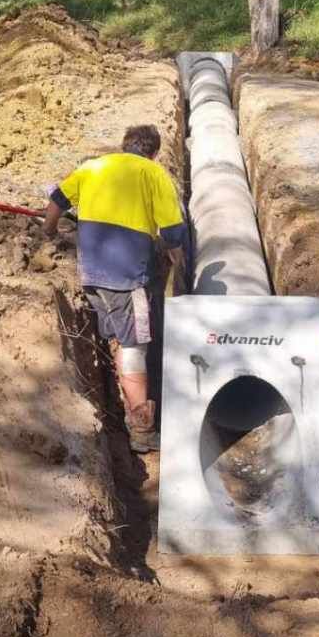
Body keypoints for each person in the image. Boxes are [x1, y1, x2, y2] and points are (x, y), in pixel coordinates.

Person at [42, 124, 186, 452]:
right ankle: (141, 432)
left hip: (92, 275)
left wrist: (48, 230)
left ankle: (124, 406)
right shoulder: (153, 173)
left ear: (124, 146)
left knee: (121, 340)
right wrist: (180, 271)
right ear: (154, 152)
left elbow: (56, 202)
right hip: (128, 279)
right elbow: (174, 232)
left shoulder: (93, 167)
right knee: (136, 347)